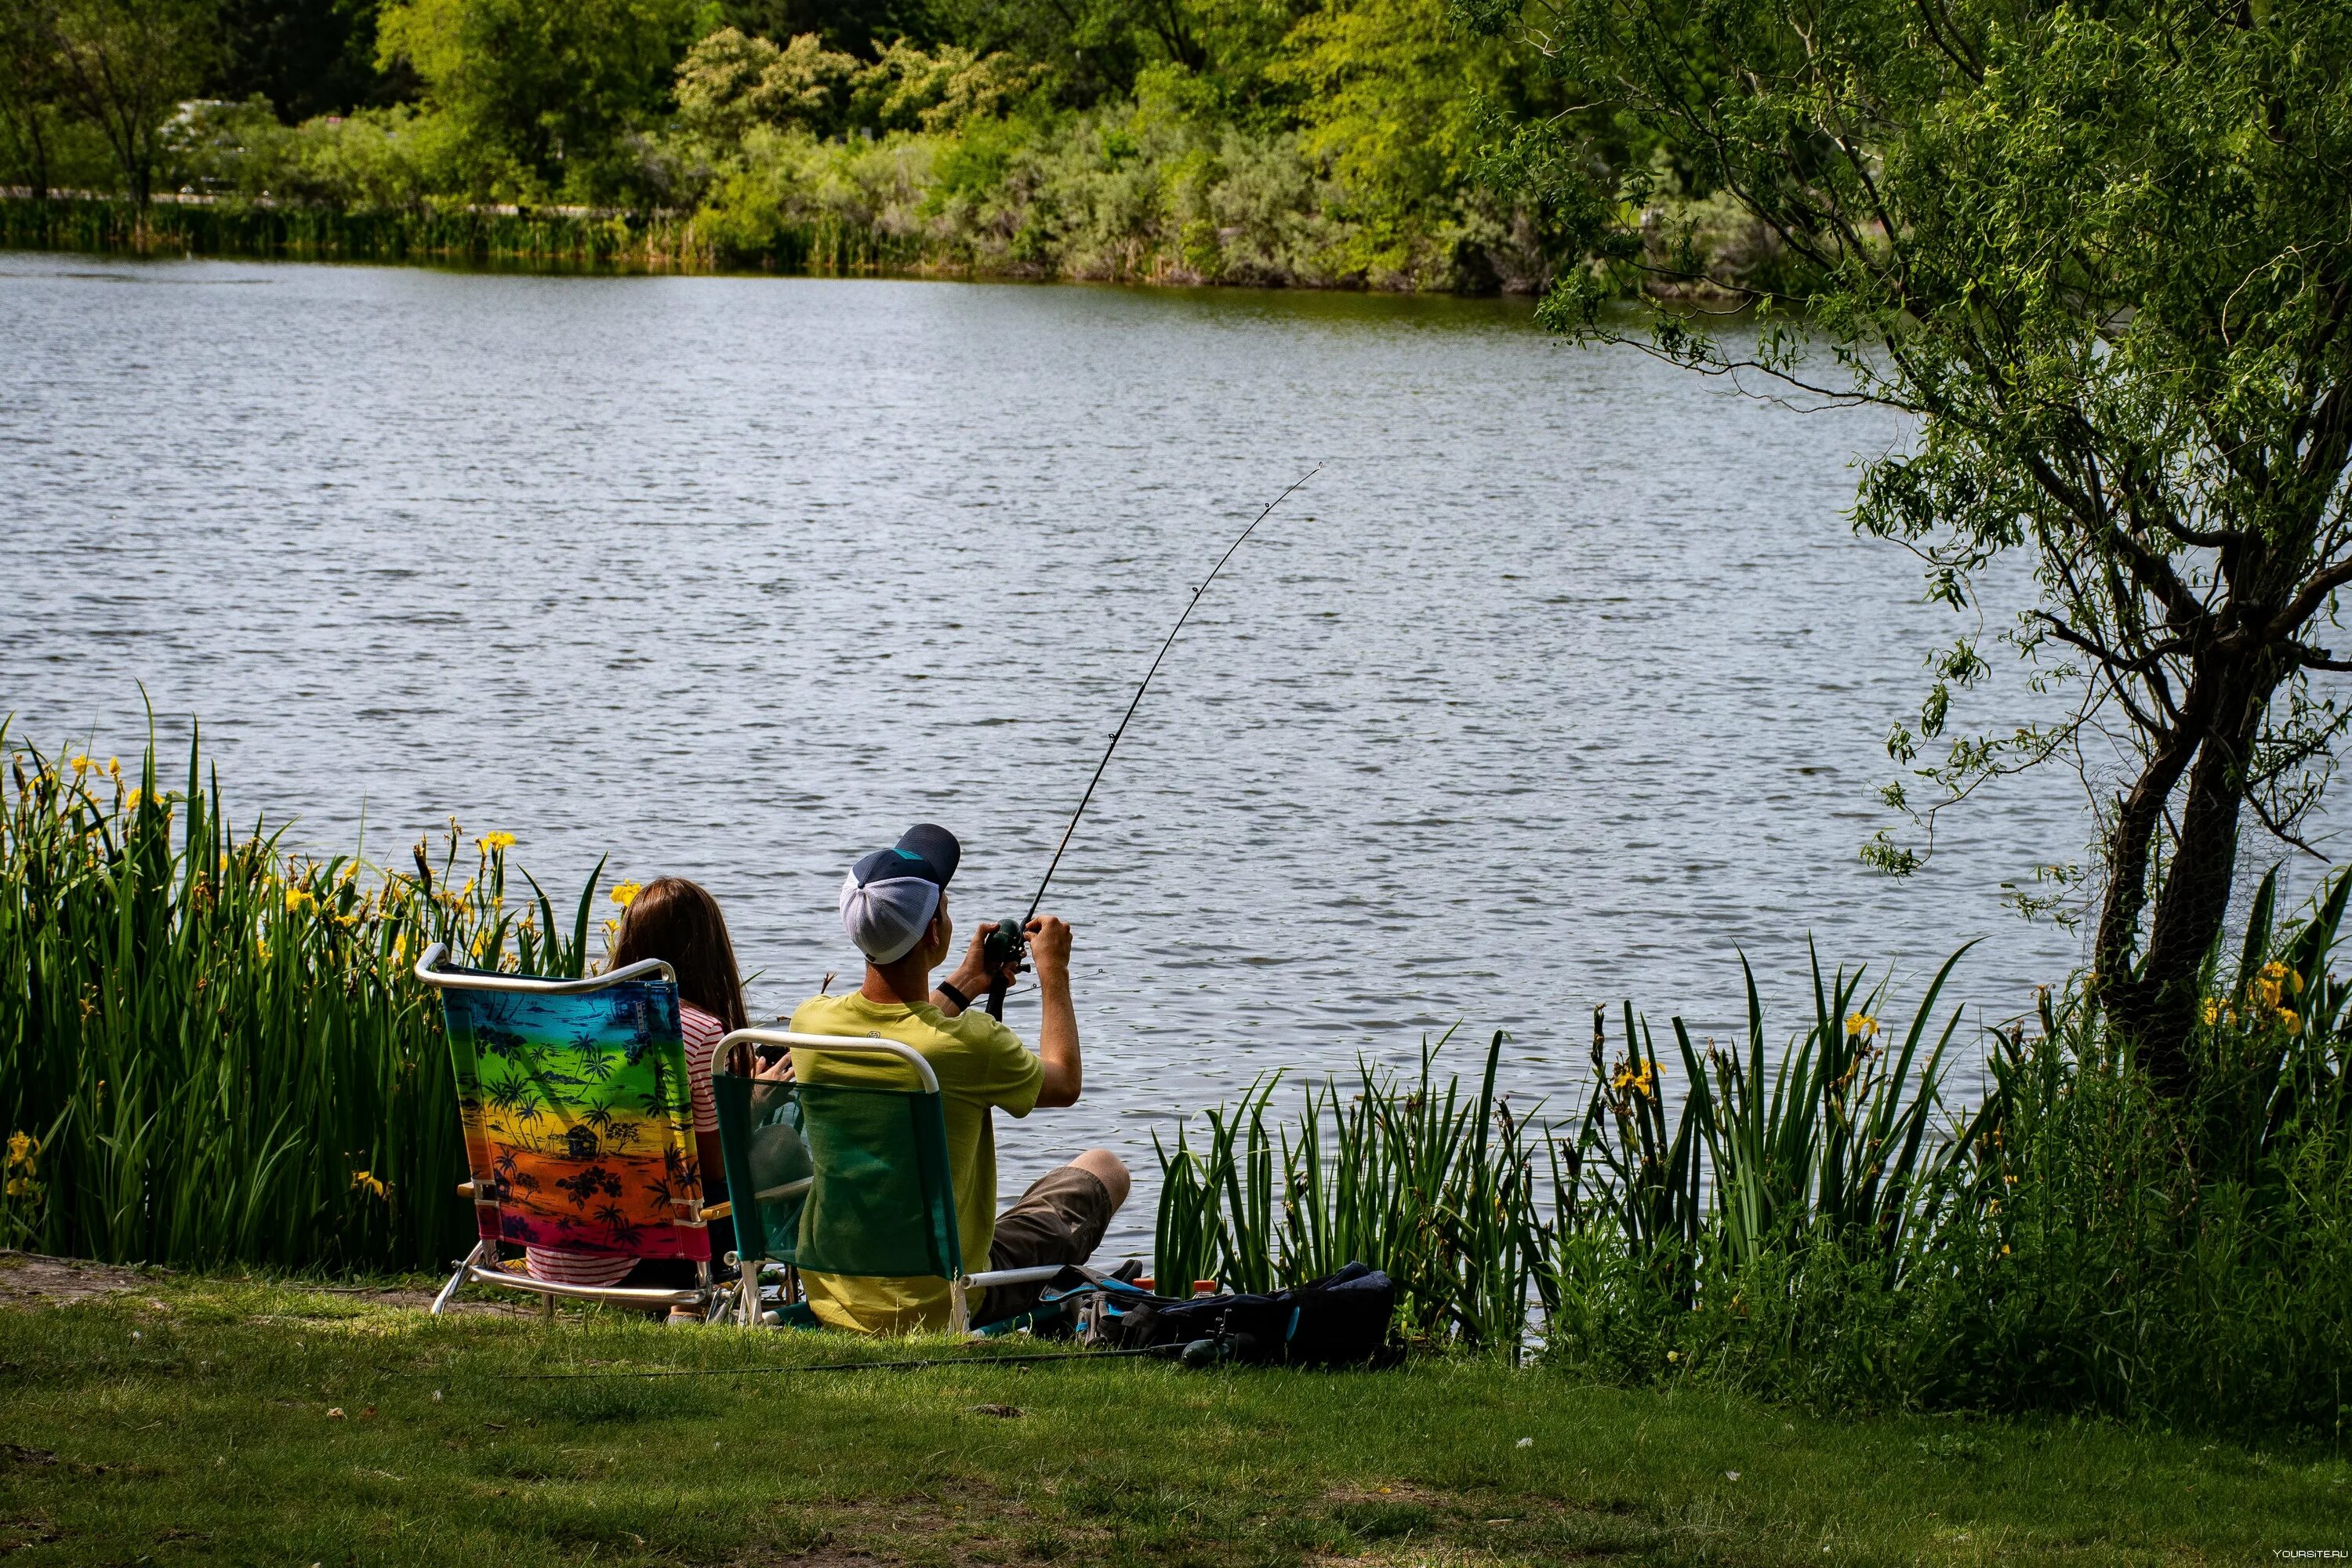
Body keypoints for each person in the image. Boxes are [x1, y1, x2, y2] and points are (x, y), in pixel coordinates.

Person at [788, 823, 1130, 1334]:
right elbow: (1064, 1082)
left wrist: (969, 980)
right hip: (942, 1298)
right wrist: (1054, 970)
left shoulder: (812, 1025)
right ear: (933, 934)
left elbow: (910, 1035)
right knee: (1104, 1168)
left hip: (836, 1294)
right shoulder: (971, 1042)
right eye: (944, 905)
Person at [521, 875, 761, 1290]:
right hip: (638, 1260)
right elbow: (714, 1167)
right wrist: (753, 1103)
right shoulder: (701, 1032)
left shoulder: (572, 1020)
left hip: (548, 1249)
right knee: (754, 1162)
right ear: (711, 951)